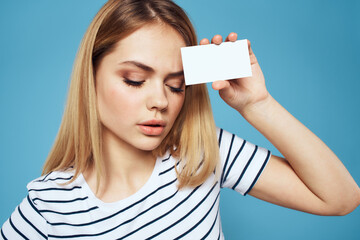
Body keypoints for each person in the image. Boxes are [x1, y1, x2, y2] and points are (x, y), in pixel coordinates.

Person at [1, 0, 359, 239]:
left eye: (175, 85)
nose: (160, 102)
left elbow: (341, 199)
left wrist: (257, 104)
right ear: (90, 78)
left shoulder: (202, 154)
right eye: (135, 81)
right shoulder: (48, 206)